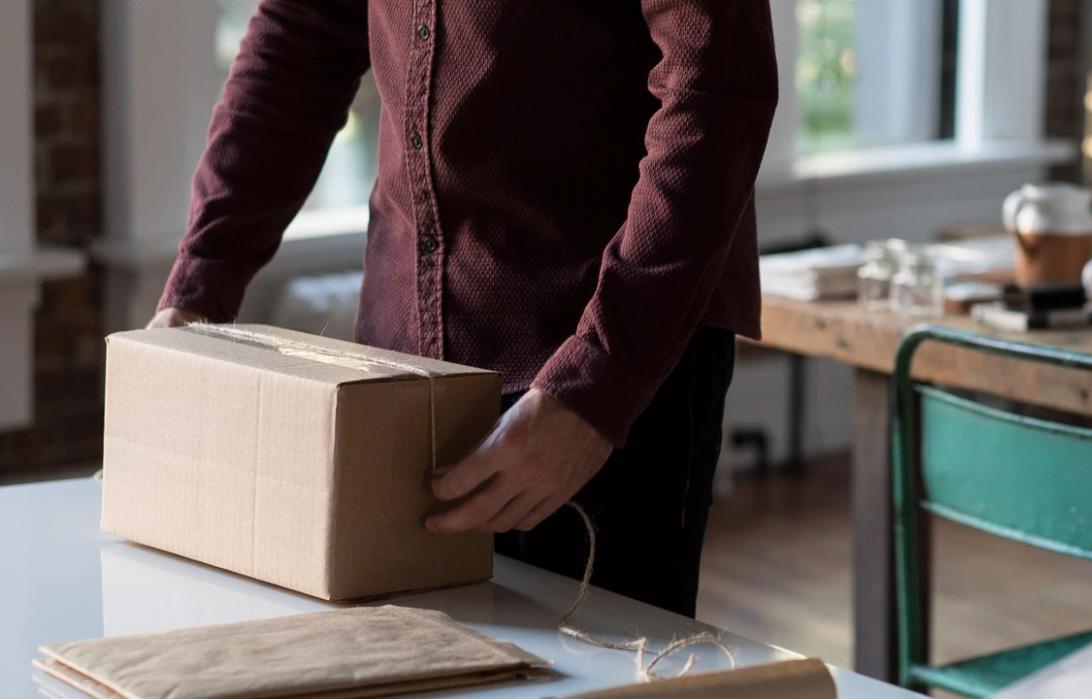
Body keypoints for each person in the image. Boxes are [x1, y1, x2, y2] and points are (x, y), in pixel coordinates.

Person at [150, 1, 777, 618]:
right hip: (399, 369)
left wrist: (597, 385)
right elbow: (299, 36)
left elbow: (716, 92)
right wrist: (197, 289)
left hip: (601, 370)